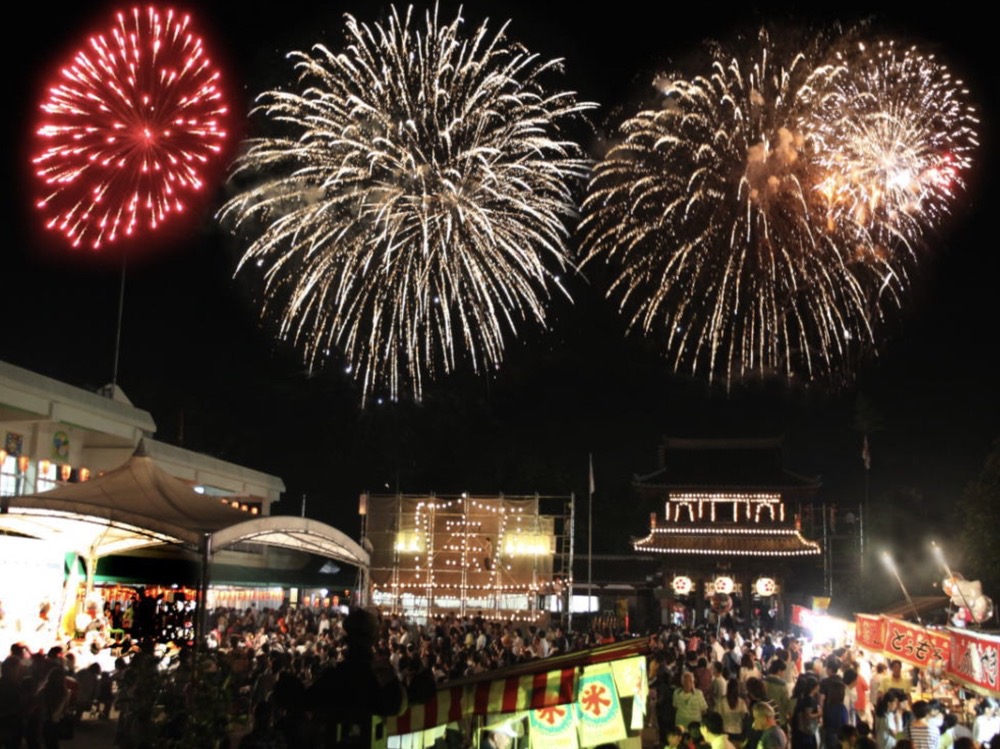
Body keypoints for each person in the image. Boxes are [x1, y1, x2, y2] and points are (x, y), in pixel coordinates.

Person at [791, 676, 820, 749]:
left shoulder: (802, 698)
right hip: (807, 730)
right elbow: (808, 715)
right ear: (815, 687)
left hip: (800, 730)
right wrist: (819, 714)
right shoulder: (809, 700)